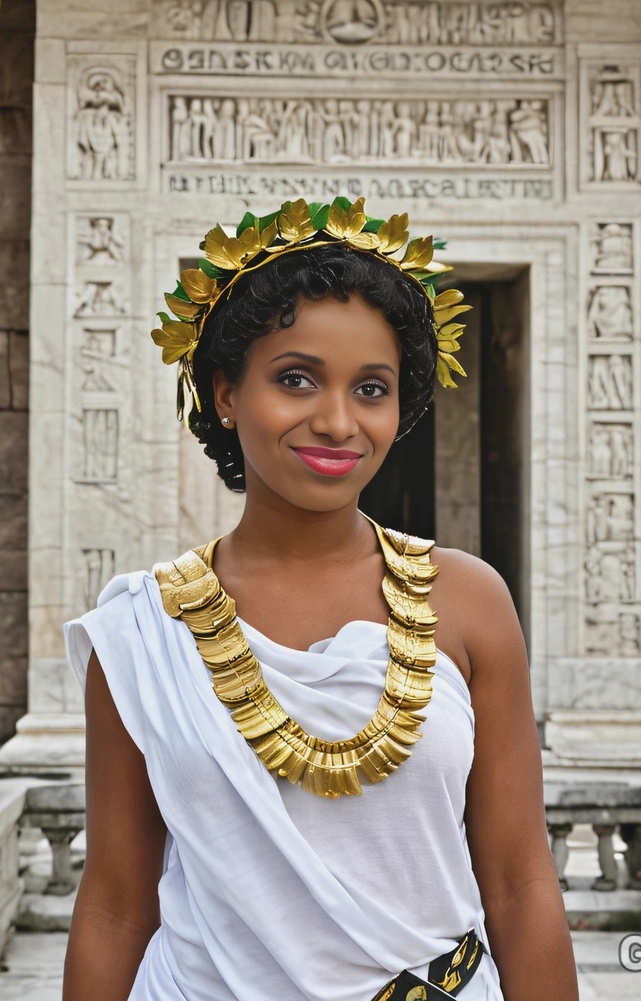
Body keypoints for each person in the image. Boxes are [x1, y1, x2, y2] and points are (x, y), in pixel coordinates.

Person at [62, 197, 578, 1001]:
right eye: (296, 379)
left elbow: (519, 882)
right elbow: (117, 905)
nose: (338, 422)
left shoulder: (470, 602)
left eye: (371, 388)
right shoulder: (143, 632)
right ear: (226, 394)